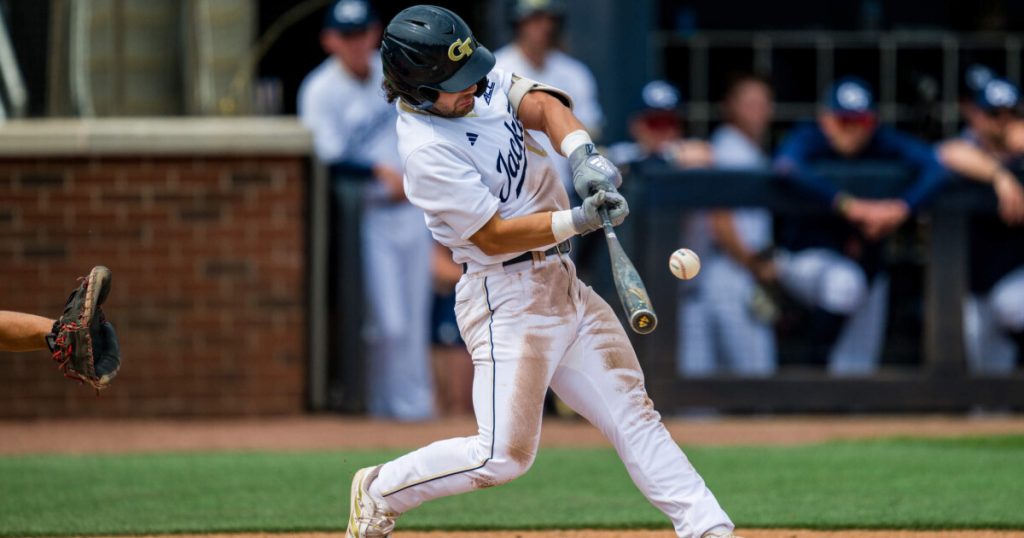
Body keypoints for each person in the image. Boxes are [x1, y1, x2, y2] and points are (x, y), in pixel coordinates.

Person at [345, 6, 740, 538]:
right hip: (504, 297)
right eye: (454, 82)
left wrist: (582, 155)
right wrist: (576, 219)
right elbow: (491, 235)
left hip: (562, 284)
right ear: (417, 90)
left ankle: (708, 527)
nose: (473, 86)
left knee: (633, 412)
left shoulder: (475, 84)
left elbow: (541, 104)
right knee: (501, 456)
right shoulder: (425, 151)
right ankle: (380, 488)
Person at [298, 0, 434, 420]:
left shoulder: (393, 68)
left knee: (415, 319)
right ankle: (381, 408)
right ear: (329, 40)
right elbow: (329, 156)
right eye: (346, 35)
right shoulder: (320, 88)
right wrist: (380, 171)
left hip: (415, 212)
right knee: (387, 322)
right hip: (369, 214)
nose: (356, 43)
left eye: (361, 33)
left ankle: (415, 408)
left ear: (374, 32)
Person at [772, 76, 949, 375]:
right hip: (806, 257)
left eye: (861, 121)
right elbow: (786, 167)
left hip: (868, 264)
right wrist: (848, 206)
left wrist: (901, 207)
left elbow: (937, 167)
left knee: (858, 368)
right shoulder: (810, 137)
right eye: (843, 120)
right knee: (844, 282)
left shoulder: (882, 141)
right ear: (826, 119)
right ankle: (810, 370)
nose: (853, 130)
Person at [679, 73, 777, 378]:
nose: (757, 111)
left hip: (723, 273)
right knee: (755, 376)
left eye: (762, 104)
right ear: (730, 107)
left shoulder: (748, 150)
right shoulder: (728, 148)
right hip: (732, 268)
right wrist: (753, 263)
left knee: (713, 381)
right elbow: (719, 219)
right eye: (749, 103)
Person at [938, 74, 1024, 373]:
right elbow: (946, 153)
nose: (1002, 121)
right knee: (979, 393)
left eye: (1011, 113)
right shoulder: (967, 148)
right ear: (977, 114)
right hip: (971, 286)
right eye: (993, 114)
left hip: (1014, 279)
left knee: (1012, 305)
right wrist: (1000, 175)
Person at [494, 0, 603, 196]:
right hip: (508, 189)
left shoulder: (574, 72)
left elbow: (591, 128)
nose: (544, 26)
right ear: (519, 23)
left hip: (561, 187)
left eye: (549, 19)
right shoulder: (497, 69)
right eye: (534, 19)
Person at [607, 79, 713, 170]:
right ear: (636, 124)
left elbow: (705, 155)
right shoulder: (623, 153)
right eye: (655, 122)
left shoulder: (687, 152)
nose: (663, 130)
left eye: (669, 122)